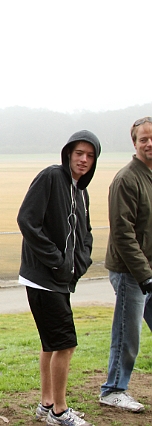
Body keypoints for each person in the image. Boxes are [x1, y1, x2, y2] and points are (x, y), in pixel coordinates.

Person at [17, 130, 101, 426]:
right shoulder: (51, 177)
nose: (84, 159)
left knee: (51, 344)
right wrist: (57, 262)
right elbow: (27, 220)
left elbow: (85, 232)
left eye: (90, 156)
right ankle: (60, 412)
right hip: (43, 278)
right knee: (66, 344)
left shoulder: (81, 190)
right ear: (68, 154)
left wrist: (81, 260)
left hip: (60, 279)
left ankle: (46, 404)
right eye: (79, 153)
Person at [99, 116, 152, 413]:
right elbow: (123, 233)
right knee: (127, 332)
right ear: (134, 144)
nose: (149, 143)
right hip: (130, 272)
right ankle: (113, 389)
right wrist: (144, 275)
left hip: (148, 270)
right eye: (143, 139)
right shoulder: (126, 179)